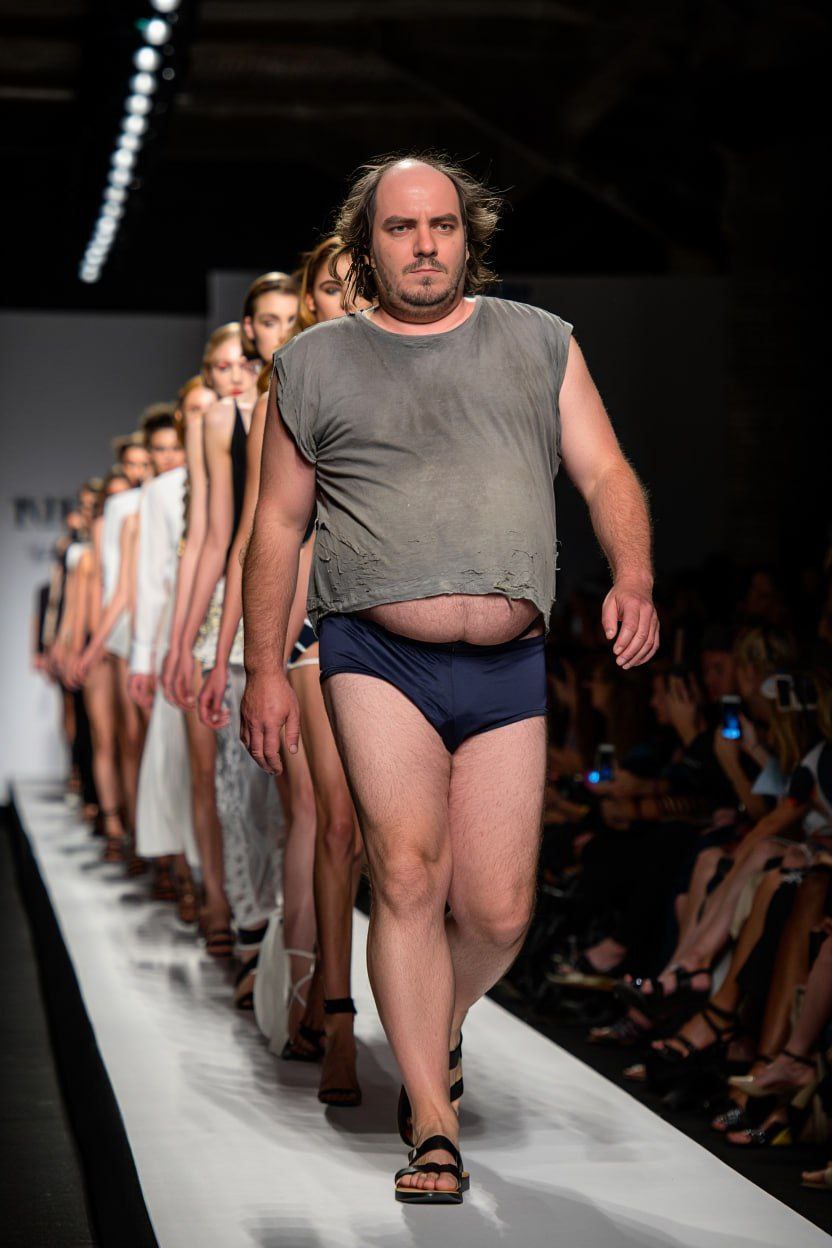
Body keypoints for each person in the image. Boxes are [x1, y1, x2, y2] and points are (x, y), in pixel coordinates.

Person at [240, 153, 659, 1203]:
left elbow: (604, 468)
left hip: (509, 661)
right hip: (374, 652)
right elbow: (278, 525)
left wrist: (635, 575)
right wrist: (260, 670)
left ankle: (440, 1020)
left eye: (442, 226)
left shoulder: (538, 341)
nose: (424, 245)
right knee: (407, 874)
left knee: (501, 913)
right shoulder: (314, 364)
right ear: (367, 243)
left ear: (469, 236)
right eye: (401, 228)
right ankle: (432, 1119)